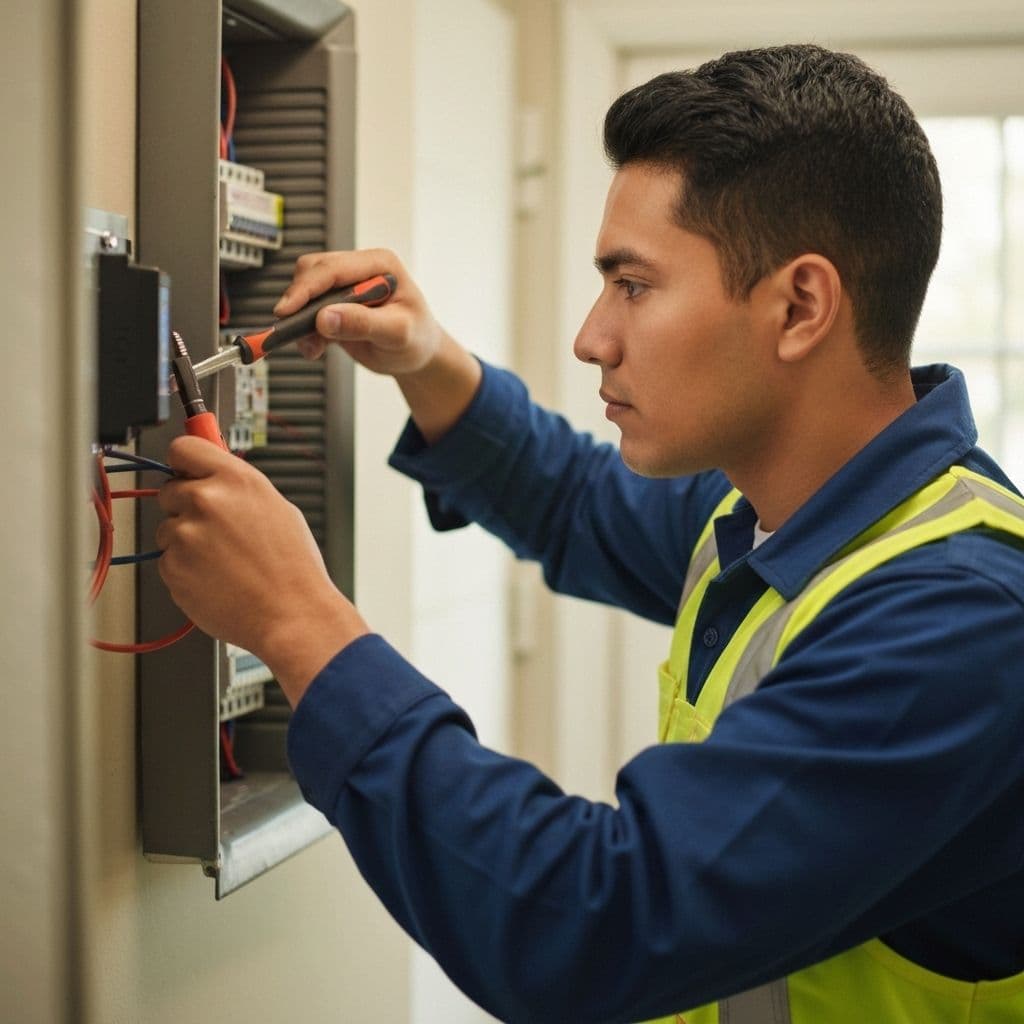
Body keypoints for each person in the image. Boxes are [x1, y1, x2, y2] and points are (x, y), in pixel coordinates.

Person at [156, 43, 1024, 1023]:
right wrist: (430, 360)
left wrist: (296, 622)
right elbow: (577, 502)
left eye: (634, 285)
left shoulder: (956, 625)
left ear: (799, 305)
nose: (591, 336)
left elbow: (598, 922)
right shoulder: (777, 515)